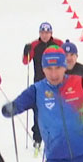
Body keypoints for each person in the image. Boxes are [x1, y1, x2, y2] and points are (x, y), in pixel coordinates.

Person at [21, 22, 63, 152]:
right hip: (39, 82)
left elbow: (66, 59)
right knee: (38, 111)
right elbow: (25, 61)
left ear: (51, 33)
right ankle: (37, 138)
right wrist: (26, 51)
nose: (45, 35)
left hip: (55, 82)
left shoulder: (58, 43)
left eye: (47, 33)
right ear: (39, 33)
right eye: (42, 33)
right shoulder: (34, 45)